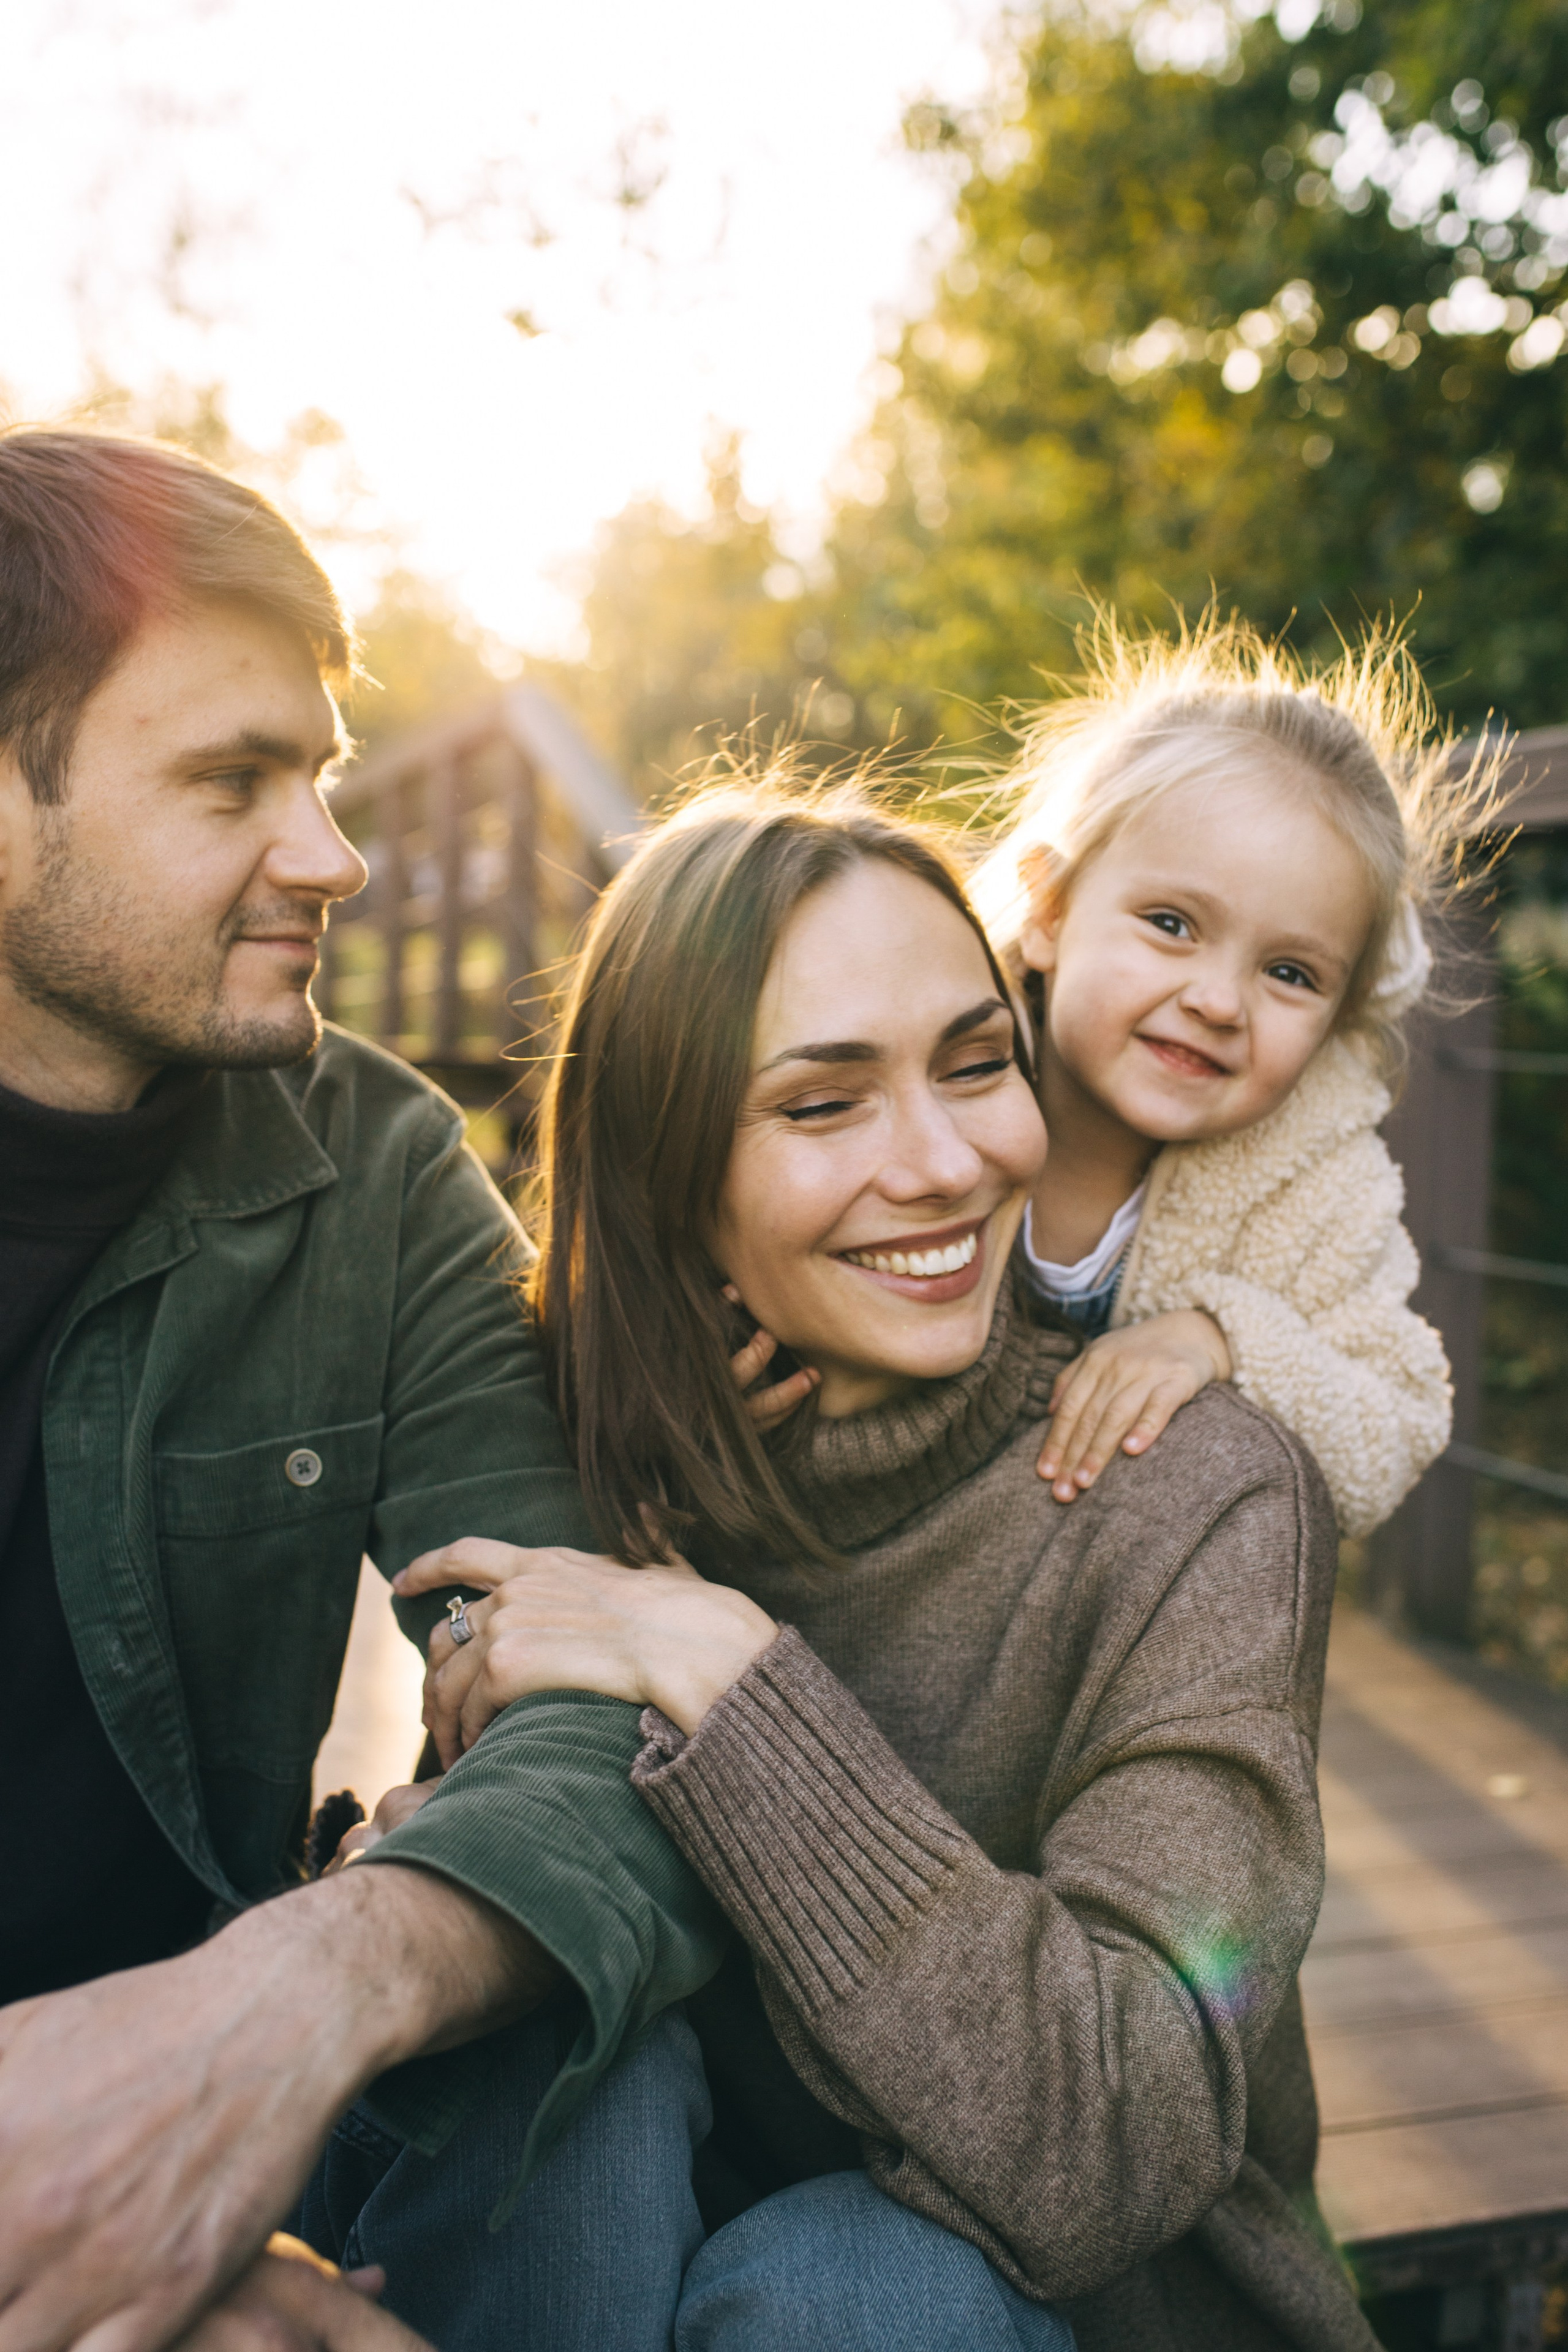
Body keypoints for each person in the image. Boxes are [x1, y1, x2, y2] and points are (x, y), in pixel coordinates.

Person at [389, 781, 1381, 2351]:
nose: (941, 1164)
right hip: (661, 2248)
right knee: (559, 2059)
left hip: (1112, 2308)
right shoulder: (587, 1463)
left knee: (856, 2284)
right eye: (819, 1103)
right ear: (667, 1175)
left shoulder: (1192, 1493)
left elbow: (1121, 2137)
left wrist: (723, 1676)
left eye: (977, 1067)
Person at [0, 424, 728, 2352]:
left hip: (231, 2140)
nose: (335, 857)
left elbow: (610, 1715)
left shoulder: (376, 1160)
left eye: (321, 777)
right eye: (234, 784)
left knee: (591, 2061)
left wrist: (281, 2008)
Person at [967, 616, 1479, 1539]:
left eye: (1290, 974)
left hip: (1117, 1599)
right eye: (1171, 922)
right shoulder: (934, 1081)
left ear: (1335, 1020)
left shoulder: (1313, 1181)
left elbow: (1400, 1414)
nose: (1218, 1001)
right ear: (1049, 909)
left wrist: (1225, 1338)